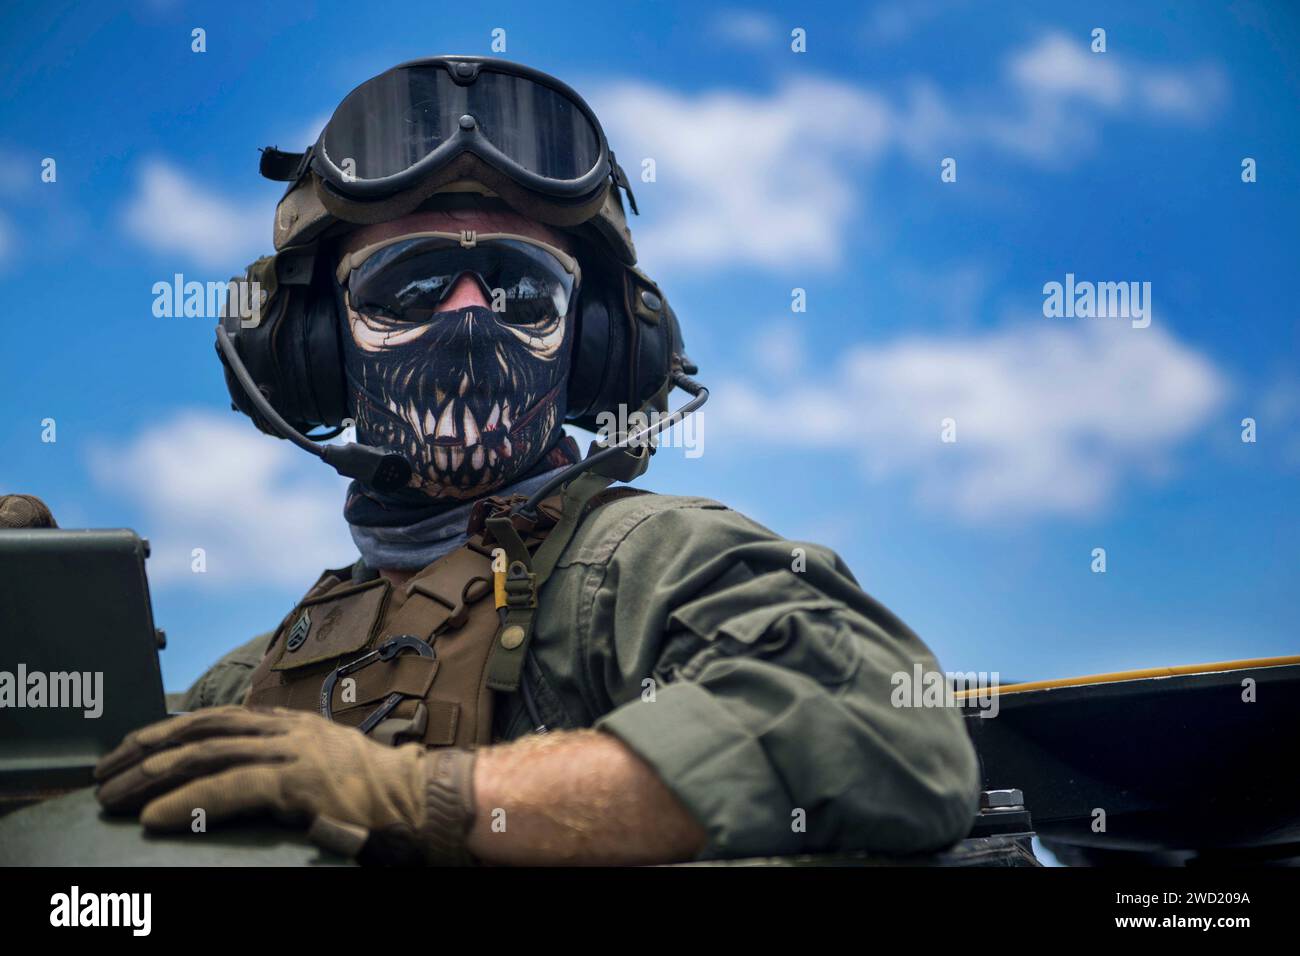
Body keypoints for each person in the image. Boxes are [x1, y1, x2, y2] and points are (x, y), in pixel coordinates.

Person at [91, 56, 979, 866]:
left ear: (596, 348)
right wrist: (45, 630)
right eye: (412, 283)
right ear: (316, 346)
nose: (469, 324)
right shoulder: (255, 675)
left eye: (523, 288)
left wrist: (423, 796)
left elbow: (888, 734)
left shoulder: (652, 562)